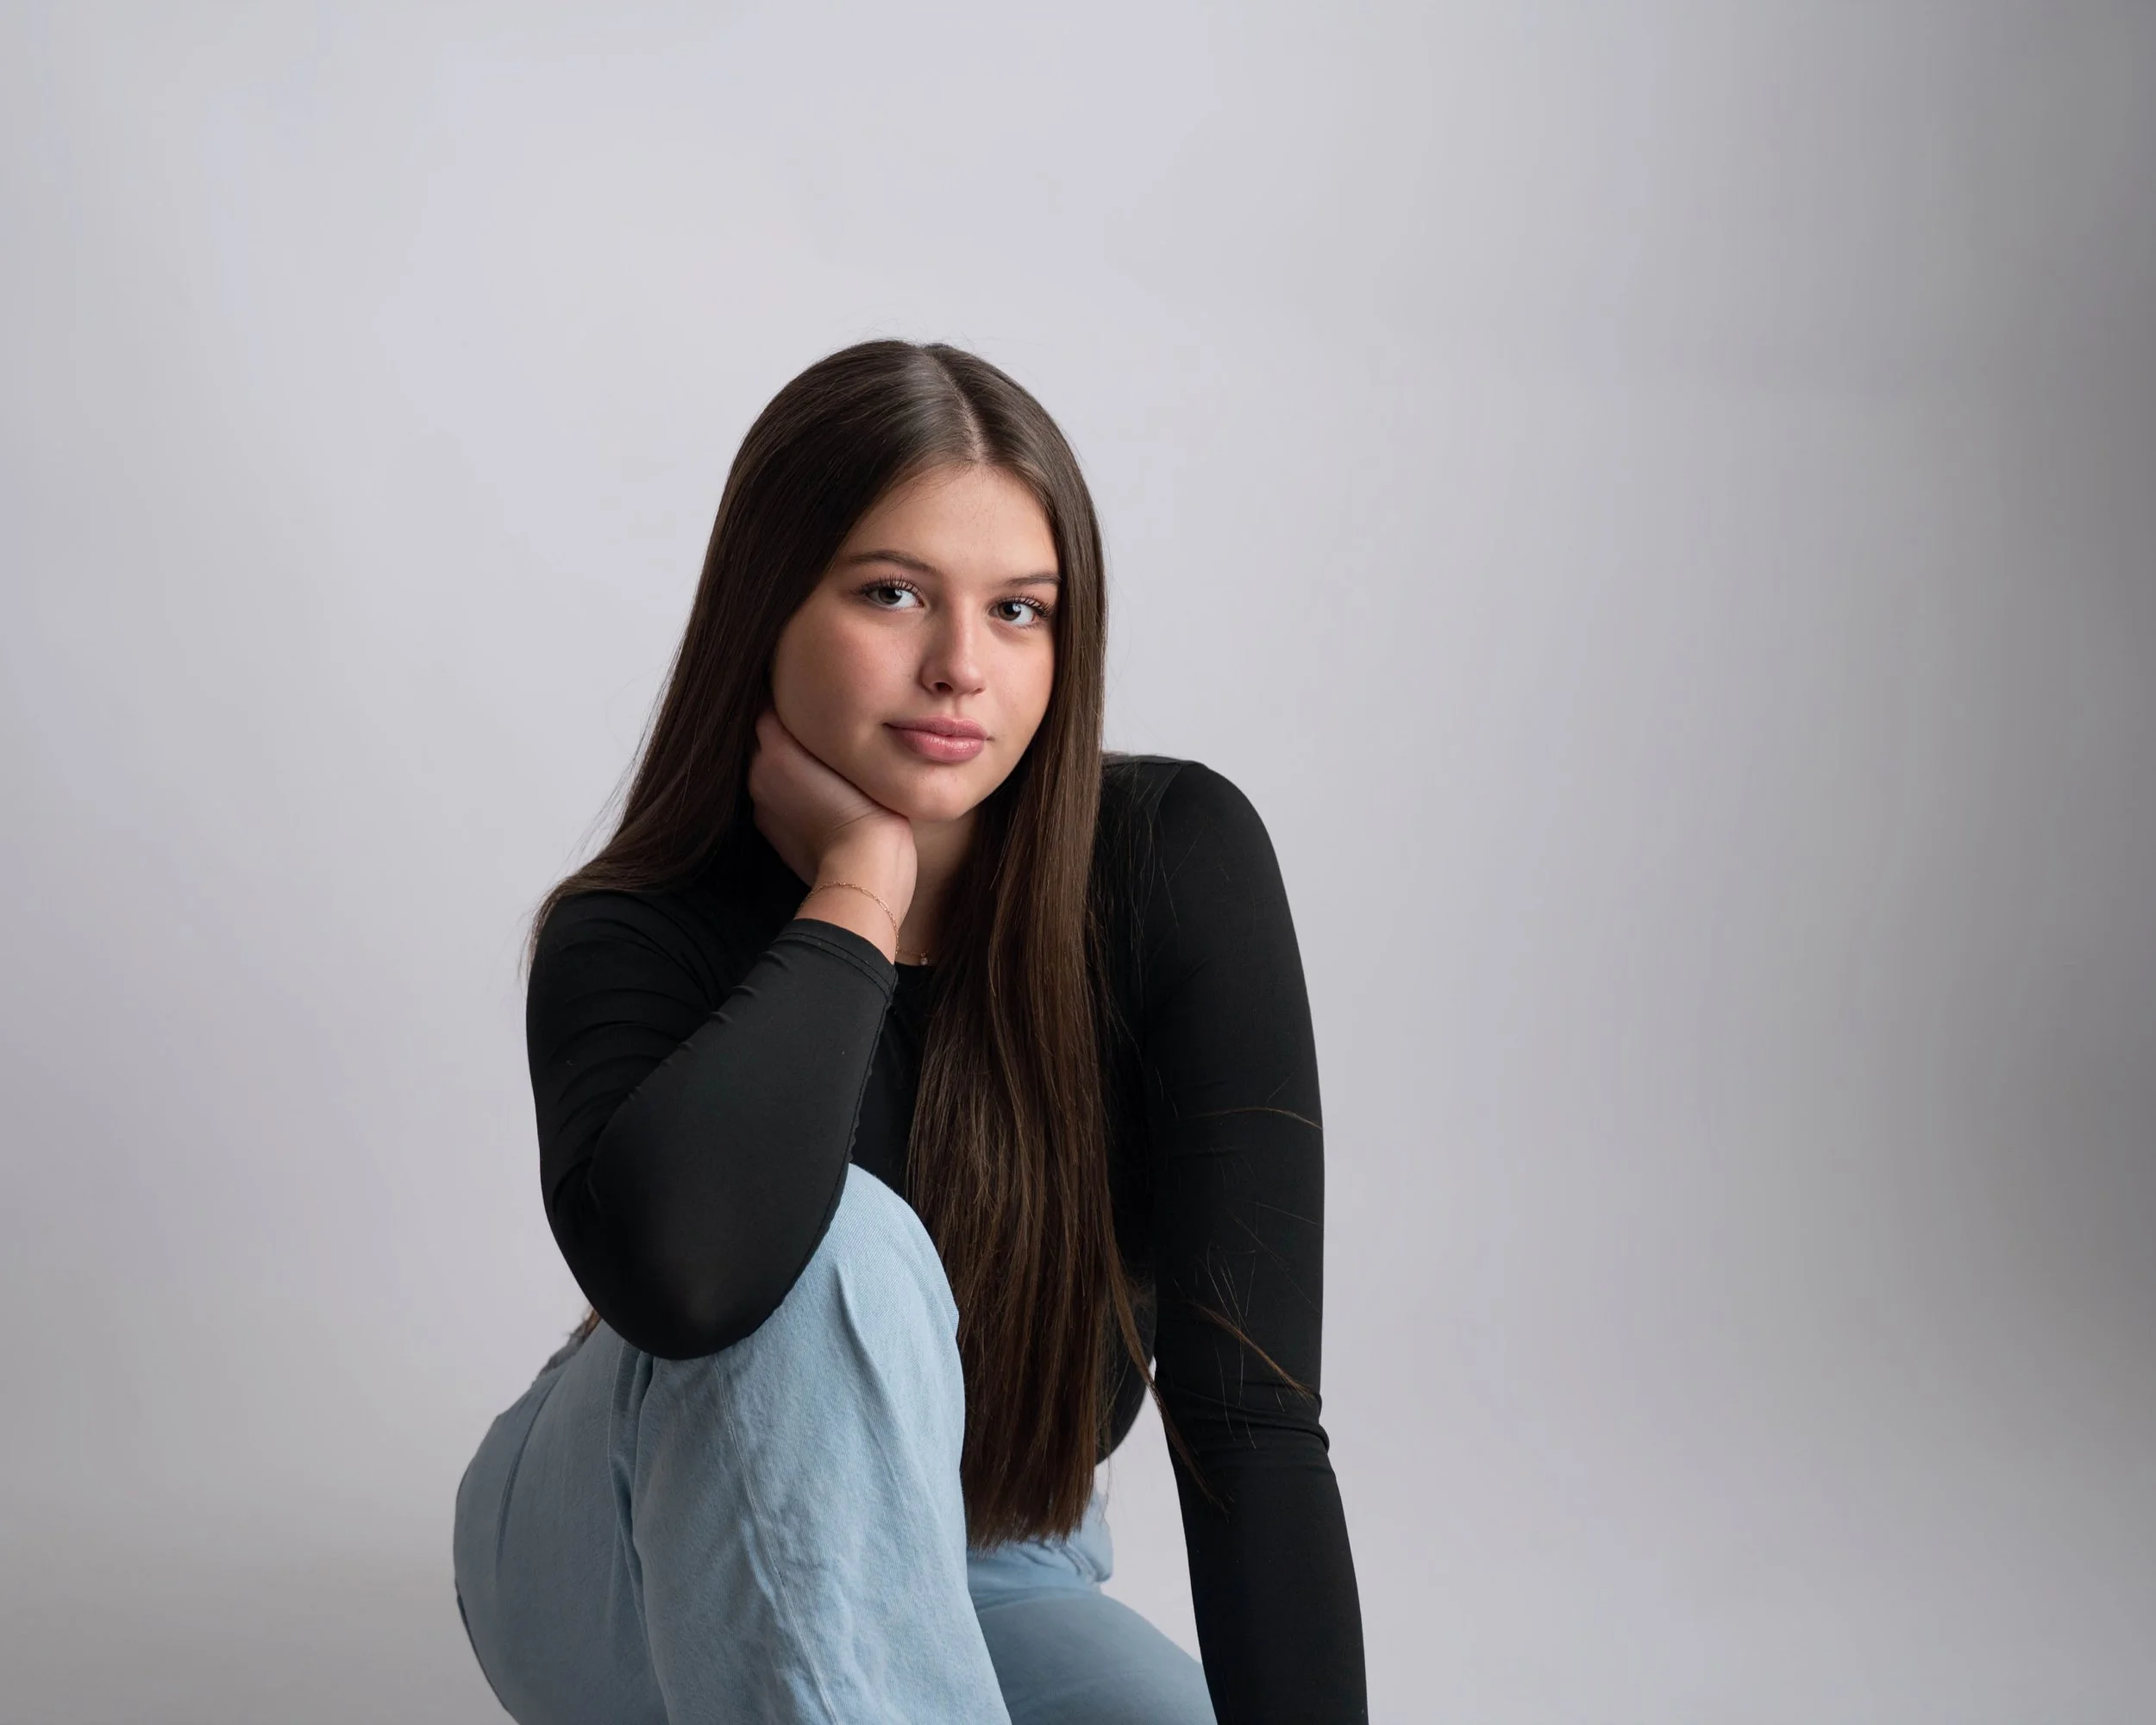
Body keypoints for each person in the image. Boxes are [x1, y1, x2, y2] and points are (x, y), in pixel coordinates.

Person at [450, 339, 1367, 1723]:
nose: (960, 667)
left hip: (997, 1563)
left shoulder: (1176, 865)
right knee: (844, 1239)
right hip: (623, 1549)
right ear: (768, 604)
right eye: (893, 594)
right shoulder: (634, 928)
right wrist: (858, 891)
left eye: (1019, 611)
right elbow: (697, 1279)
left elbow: (1253, 1422)